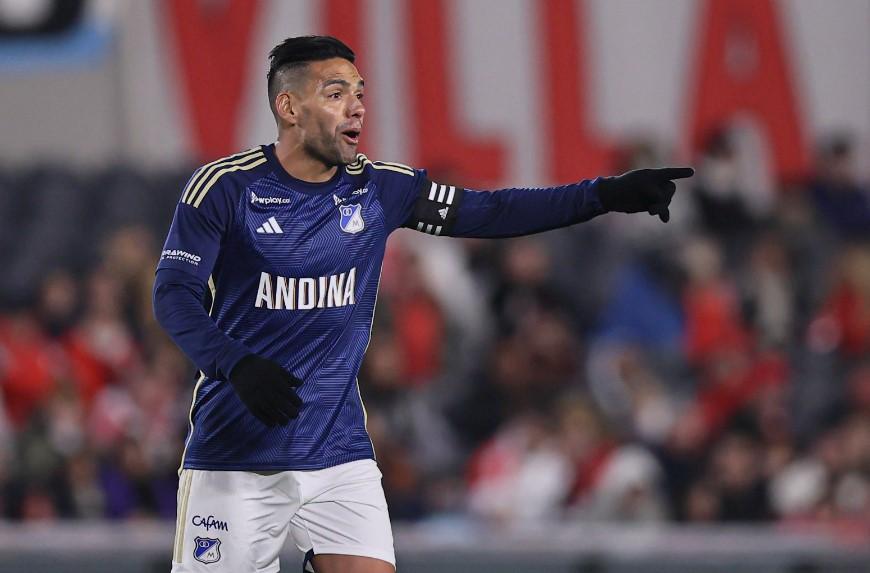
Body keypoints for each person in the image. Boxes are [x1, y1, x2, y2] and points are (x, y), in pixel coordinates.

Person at [153, 35, 693, 573]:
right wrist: (236, 363)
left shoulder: (380, 189)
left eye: (360, 92)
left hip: (337, 453)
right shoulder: (224, 188)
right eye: (336, 92)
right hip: (236, 455)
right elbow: (173, 295)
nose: (357, 105)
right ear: (288, 107)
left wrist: (605, 195)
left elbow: (493, 211)